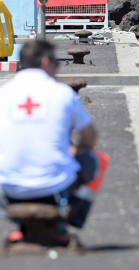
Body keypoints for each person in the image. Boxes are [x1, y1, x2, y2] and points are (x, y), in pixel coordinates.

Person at [0, 40, 99, 242]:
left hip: (8, 191)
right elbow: (90, 139)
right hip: (54, 188)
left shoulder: (3, 94)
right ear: (46, 62)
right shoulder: (62, 93)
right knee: (94, 159)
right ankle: (63, 224)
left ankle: (20, 227)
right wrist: (71, 150)